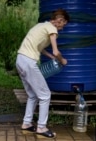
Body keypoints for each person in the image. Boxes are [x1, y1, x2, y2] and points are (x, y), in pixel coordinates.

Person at [16, 9, 70, 138]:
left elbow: (39, 48)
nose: (62, 28)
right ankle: (41, 127)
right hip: (29, 62)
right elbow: (57, 52)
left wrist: (50, 56)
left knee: (32, 95)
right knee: (45, 95)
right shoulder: (52, 29)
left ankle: (27, 124)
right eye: (63, 24)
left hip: (20, 60)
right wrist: (62, 60)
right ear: (60, 20)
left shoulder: (41, 26)